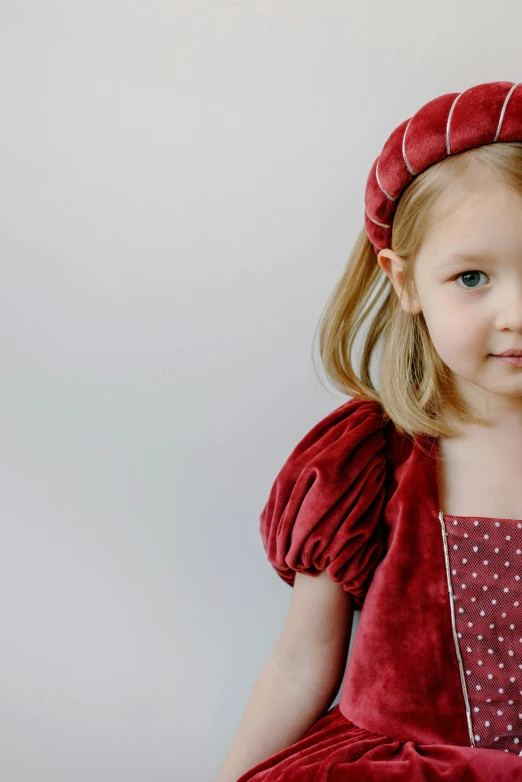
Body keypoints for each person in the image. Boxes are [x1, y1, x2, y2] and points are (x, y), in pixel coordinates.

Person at [215, 79, 522, 781]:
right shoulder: (366, 461)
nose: (516, 312)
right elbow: (299, 666)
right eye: (473, 277)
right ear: (406, 282)